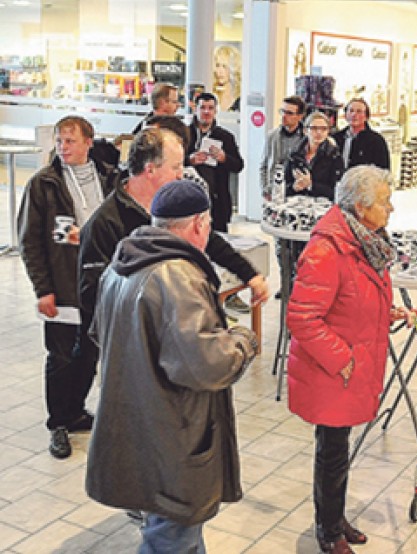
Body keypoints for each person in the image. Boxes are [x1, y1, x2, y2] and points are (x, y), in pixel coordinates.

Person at [85, 179, 259, 552]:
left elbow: (99, 333)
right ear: (199, 224)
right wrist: (243, 340)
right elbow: (205, 365)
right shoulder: (177, 276)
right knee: (173, 534)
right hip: (172, 432)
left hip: (132, 421)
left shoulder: (121, 263)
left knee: (170, 528)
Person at [286, 166, 412, 554]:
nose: (391, 208)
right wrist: (342, 359)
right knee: (332, 451)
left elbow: (349, 299)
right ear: (361, 207)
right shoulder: (328, 248)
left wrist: (383, 312)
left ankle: (334, 518)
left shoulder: (363, 241)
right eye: (385, 202)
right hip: (331, 371)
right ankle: (328, 530)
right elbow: (302, 316)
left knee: (338, 451)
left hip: (345, 368)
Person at [78, 128, 268, 379]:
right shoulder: (105, 223)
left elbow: (210, 241)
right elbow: (92, 295)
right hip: (136, 348)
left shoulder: (170, 204)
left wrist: (250, 275)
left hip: (176, 340)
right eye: (176, 166)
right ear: (150, 169)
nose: (182, 175)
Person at [17, 115, 117, 459]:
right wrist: (42, 289)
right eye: (59, 141)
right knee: (61, 356)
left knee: (89, 352)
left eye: (71, 141)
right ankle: (57, 422)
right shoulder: (44, 183)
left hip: (100, 282)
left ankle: (75, 411)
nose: (63, 148)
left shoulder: (109, 178)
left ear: (89, 142)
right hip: (62, 283)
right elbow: (29, 241)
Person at [187, 92, 244, 232]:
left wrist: (224, 158)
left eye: (210, 108)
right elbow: (173, 163)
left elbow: (239, 165)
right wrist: (189, 160)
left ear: (216, 111)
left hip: (217, 201)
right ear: (195, 109)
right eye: (203, 107)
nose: (206, 112)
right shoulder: (185, 134)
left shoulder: (225, 137)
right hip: (189, 197)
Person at [285, 111, 344, 200]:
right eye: (314, 128)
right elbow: (284, 186)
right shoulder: (294, 154)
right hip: (296, 206)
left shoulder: (334, 156)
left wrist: (311, 185)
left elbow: (337, 192)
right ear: (305, 131)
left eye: (323, 129)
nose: (319, 132)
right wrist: (293, 187)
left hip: (322, 208)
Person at [260, 95, 307, 202]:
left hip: (298, 192)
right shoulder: (272, 136)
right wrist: (265, 189)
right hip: (275, 189)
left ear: (300, 116)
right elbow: (264, 165)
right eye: (282, 111)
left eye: (289, 113)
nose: (284, 116)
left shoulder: (306, 138)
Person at [332, 98, 390, 173]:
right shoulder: (336, 138)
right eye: (351, 111)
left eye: (359, 111)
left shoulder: (376, 141)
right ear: (345, 115)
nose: (354, 114)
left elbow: (383, 171)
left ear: (366, 117)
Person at [213, 44, 241, 112]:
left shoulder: (240, 98)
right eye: (217, 65)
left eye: (224, 66)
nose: (220, 71)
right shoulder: (211, 94)